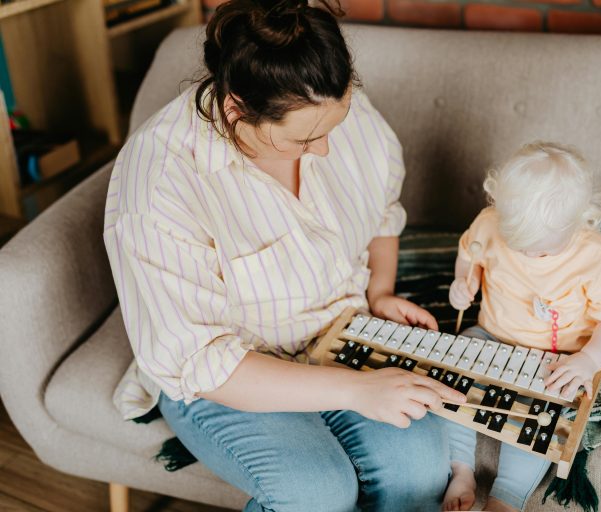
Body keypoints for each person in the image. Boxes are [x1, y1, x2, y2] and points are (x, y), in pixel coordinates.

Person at [103, 1, 465, 510]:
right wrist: (356, 392)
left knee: (420, 474)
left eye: (331, 128)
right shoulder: (162, 182)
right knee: (317, 490)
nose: (323, 151)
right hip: (235, 375)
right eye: (305, 139)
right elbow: (205, 362)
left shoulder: (334, 106)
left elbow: (384, 208)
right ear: (235, 110)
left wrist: (380, 291)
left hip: (343, 333)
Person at [442, 142, 601, 512]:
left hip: (555, 358)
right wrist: (463, 282)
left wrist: (589, 358)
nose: (530, 255)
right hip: (491, 336)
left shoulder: (596, 255)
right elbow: (469, 254)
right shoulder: (489, 224)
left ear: (583, 218)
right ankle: (461, 470)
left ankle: (506, 497)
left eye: (542, 250)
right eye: (520, 247)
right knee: (452, 369)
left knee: (541, 410)